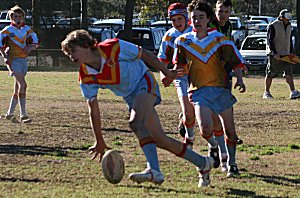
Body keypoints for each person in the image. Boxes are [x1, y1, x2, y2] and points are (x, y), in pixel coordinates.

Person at [61, 29, 216, 187]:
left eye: (73, 51)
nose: (71, 56)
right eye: (68, 53)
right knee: (160, 139)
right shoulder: (86, 76)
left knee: (136, 123)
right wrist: (99, 139)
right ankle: (203, 163)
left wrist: (166, 73)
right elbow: (93, 108)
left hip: (144, 81)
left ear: (86, 45)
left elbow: (145, 54)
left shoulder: (113, 47)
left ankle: (153, 170)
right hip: (130, 97)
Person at [173, 0, 246, 177]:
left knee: (230, 131)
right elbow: (179, 66)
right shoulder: (182, 42)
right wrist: (170, 73)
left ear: (208, 19)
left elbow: (235, 61)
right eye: (194, 18)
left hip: (220, 90)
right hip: (198, 91)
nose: (197, 21)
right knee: (205, 129)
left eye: (201, 17)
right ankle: (214, 146)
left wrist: (240, 79)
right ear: (190, 20)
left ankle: (232, 163)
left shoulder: (220, 40)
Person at [157, 3, 195, 148]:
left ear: (186, 18)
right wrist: (163, 74)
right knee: (188, 111)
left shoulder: (195, 32)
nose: (177, 23)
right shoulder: (169, 36)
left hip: (198, 77)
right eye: (173, 20)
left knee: (195, 111)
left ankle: (186, 122)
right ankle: (189, 138)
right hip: (180, 77)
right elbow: (162, 59)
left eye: (180, 19)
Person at [0, 5, 38, 123]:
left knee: (18, 88)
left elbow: (35, 41)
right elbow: (0, 45)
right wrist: (5, 56)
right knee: (23, 85)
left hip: (22, 60)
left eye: (20, 16)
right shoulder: (7, 30)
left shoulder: (27, 30)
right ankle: (23, 115)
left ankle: (10, 113)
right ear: (11, 18)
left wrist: (30, 47)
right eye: (15, 16)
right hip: (13, 60)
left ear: (23, 18)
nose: (18, 18)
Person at [263, 9, 300, 100]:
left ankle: (293, 92)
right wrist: (275, 53)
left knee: (288, 73)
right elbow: (270, 41)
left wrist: (291, 52)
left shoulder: (289, 25)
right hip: (274, 55)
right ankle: (266, 92)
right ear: (281, 17)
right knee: (271, 73)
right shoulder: (273, 25)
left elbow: (289, 40)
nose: (287, 20)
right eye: (286, 18)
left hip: (286, 54)